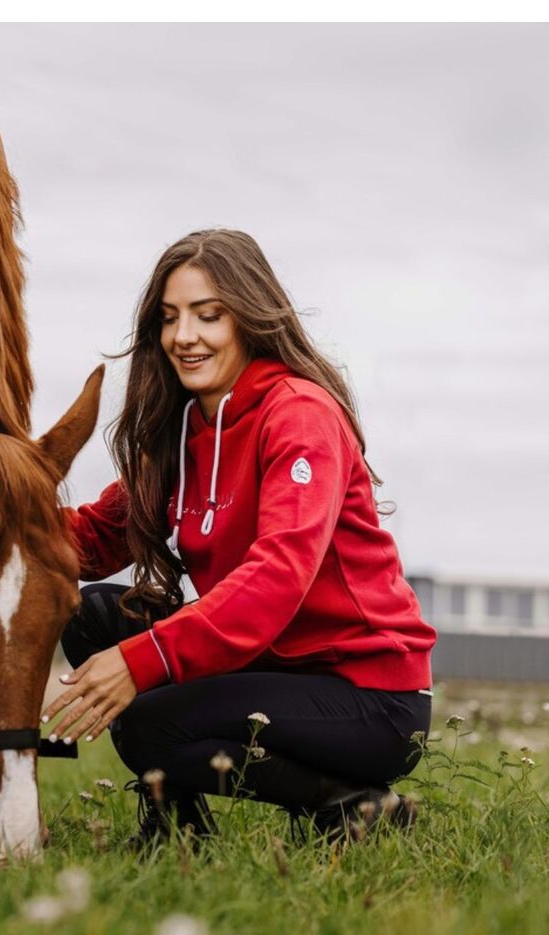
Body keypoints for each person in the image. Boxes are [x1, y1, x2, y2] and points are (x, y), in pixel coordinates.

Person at [42, 228, 437, 848]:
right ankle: (179, 831)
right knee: (91, 614)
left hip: (368, 696)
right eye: (169, 317)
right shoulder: (184, 430)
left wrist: (142, 662)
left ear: (250, 317)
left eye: (208, 315)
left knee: (147, 725)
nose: (184, 335)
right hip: (266, 668)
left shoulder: (299, 415)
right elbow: (91, 539)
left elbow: (277, 578)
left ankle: (352, 808)